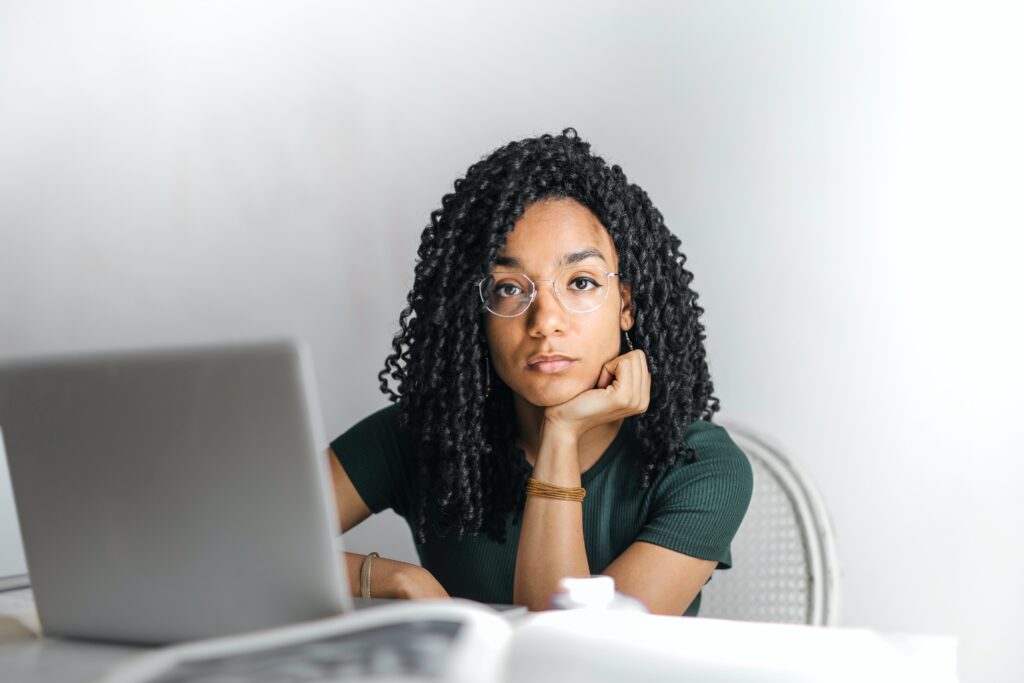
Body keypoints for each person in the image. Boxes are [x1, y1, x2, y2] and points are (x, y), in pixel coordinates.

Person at [328, 128, 753, 616]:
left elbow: (572, 656)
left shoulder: (699, 466)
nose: (545, 321)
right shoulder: (427, 435)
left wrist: (562, 431)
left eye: (582, 282)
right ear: (478, 315)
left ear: (626, 305)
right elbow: (234, 545)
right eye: (509, 288)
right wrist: (398, 578)